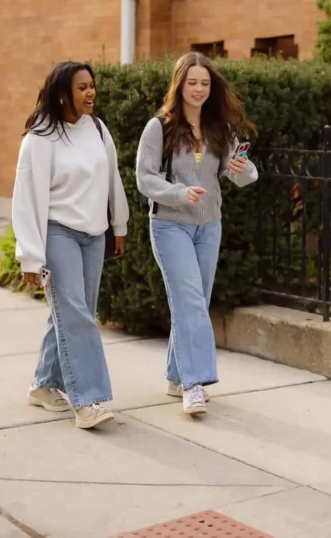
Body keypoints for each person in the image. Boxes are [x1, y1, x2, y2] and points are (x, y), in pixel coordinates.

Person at [136, 52, 257, 417]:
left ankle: (177, 375)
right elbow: (145, 178)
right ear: (180, 85)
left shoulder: (222, 129)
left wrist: (244, 167)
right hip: (170, 224)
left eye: (205, 83)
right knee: (190, 301)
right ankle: (195, 384)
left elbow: (241, 176)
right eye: (192, 83)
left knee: (196, 303)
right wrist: (178, 193)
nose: (199, 89)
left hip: (210, 225)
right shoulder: (159, 127)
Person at [11, 61, 130, 430]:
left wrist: (118, 226)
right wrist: (30, 254)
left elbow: (113, 179)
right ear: (63, 93)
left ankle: (44, 384)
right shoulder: (40, 138)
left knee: (70, 313)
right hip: (58, 232)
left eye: (91, 86)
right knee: (76, 315)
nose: (90, 93)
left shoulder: (97, 128)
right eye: (82, 88)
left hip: (93, 235)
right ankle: (88, 399)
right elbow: (26, 199)